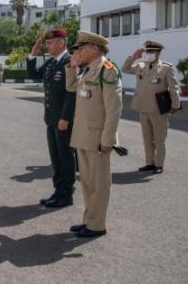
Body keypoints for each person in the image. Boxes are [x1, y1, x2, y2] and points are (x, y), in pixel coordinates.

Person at [65, 31, 122, 238]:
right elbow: (71, 87)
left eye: (81, 48)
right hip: (83, 135)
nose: (78, 51)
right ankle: (89, 220)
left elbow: (114, 109)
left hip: (98, 139)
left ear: (94, 49)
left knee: (99, 184)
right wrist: (72, 67)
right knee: (88, 183)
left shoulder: (107, 70)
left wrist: (108, 140)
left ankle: (97, 225)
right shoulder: (88, 70)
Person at [26, 28, 77, 207]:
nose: (47, 45)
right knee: (56, 157)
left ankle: (66, 194)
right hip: (51, 118)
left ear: (62, 42)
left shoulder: (70, 61)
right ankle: (58, 191)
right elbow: (33, 75)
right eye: (46, 43)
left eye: (50, 42)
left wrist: (66, 117)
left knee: (66, 157)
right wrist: (33, 54)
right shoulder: (52, 62)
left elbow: (72, 94)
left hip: (64, 120)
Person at [122, 41, 181, 174]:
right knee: (147, 138)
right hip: (143, 107)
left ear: (158, 52)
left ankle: (159, 164)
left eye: (151, 51)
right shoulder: (140, 66)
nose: (148, 54)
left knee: (159, 139)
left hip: (158, 108)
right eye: (147, 51)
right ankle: (149, 163)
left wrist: (175, 105)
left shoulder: (166, 68)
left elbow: (174, 87)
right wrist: (134, 56)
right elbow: (125, 69)